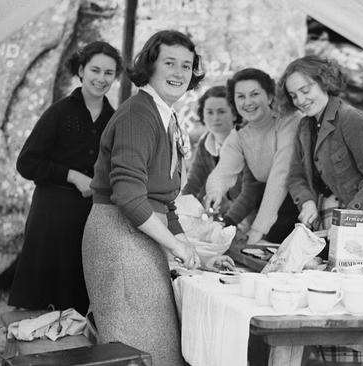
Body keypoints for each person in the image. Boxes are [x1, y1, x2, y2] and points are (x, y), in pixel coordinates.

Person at [81, 30, 234, 366]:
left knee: (157, 348)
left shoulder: (165, 115)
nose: (180, 72)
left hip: (140, 236)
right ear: (150, 65)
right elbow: (128, 196)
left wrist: (194, 253)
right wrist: (177, 247)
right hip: (119, 238)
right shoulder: (139, 114)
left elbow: (164, 201)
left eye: (187, 65)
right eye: (170, 63)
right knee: (138, 349)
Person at [9, 41, 122, 315]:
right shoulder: (59, 113)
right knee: (39, 307)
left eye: (109, 73)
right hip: (51, 218)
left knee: (78, 307)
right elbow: (27, 163)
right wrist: (72, 176)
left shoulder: (115, 118)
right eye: (95, 70)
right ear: (81, 70)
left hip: (92, 219)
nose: (101, 78)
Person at [277, 55, 363, 231]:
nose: (300, 100)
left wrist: (349, 219)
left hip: (358, 222)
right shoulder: (304, 126)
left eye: (305, 91)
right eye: (293, 96)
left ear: (324, 81)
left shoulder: (350, 119)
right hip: (322, 221)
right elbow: (296, 177)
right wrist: (306, 202)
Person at [204, 68, 300, 244]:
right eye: (240, 96)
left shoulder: (288, 122)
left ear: (270, 97)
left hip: (304, 211)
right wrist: (215, 192)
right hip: (274, 214)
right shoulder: (239, 136)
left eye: (254, 94)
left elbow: (281, 175)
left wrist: (258, 229)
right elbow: (222, 173)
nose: (247, 102)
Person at [181, 85, 246, 214]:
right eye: (210, 112)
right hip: (224, 214)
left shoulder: (246, 141)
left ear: (234, 114)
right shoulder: (205, 143)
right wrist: (181, 209)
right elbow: (194, 183)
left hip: (249, 213)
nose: (215, 118)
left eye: (221, 112)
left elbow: (250, 191)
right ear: (203, 115)